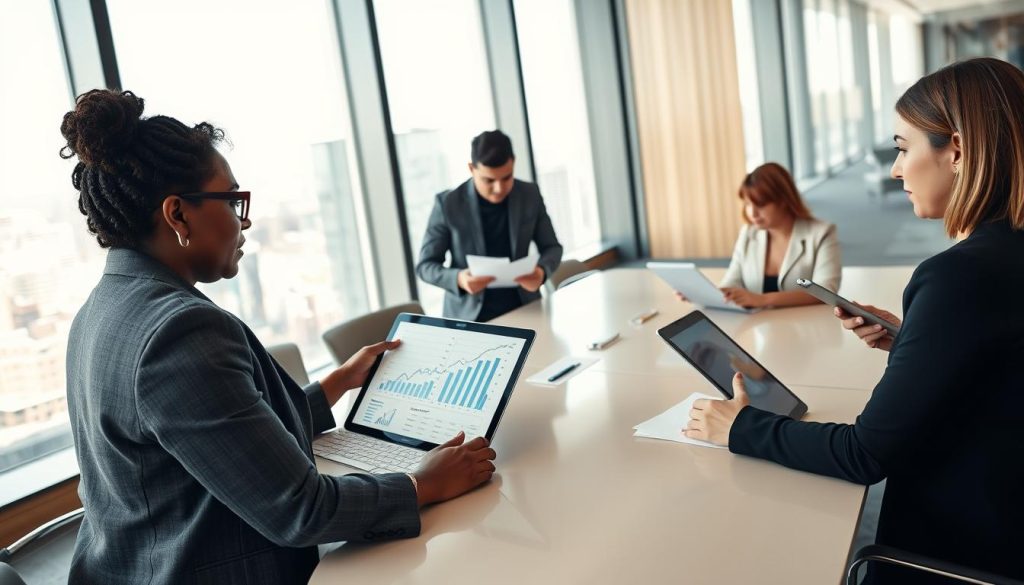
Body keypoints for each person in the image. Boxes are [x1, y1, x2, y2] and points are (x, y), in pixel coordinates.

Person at [61, 90, 496, 585]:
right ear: (178, 214)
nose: (244, 220)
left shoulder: (100, 310)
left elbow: (218, 442)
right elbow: (301, 510)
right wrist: (423, 483)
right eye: (231, 200)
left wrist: (333, 386)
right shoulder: (178, 332)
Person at [685, 57, 1024, 584]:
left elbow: (863, 454)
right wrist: (915, 341)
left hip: (957, 551)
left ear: (954, 149)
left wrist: (740, 427)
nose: (894, 169)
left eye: (902, 147)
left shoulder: (957, 278)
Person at [416, 130, 563, 322]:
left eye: (506, 177)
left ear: (514, 163)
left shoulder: (530, 194)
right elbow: (425, 266)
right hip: (469, 318)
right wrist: (459, 279)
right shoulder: (448, 204)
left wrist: (541, 272)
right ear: (471, 168)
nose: (499, 188)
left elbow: (552, 248)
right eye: (489, 180)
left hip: (525, 308)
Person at [679, 162, 841, 309]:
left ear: (784, 200)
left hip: (807, 328)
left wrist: (762, 299)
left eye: (761, 204)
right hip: (759, 328)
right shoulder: (749, 232)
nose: (752, 213)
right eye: (748, 204)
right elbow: (733, 280)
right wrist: (704, 294)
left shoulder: (822, 233)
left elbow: (826, 291)